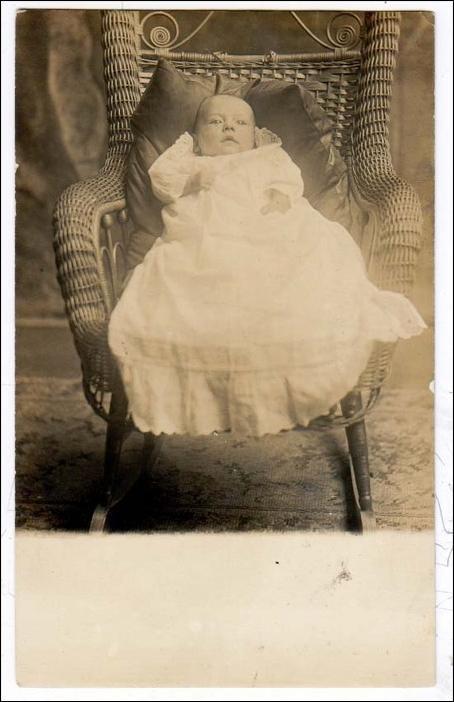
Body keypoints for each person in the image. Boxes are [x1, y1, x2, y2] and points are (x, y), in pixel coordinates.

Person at [108, 95, 426, 436]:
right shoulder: (190, 160)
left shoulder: (267, 156)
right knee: (188, 281)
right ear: (197, 137)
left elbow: (291, 178)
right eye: (215, 122)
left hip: (269, 232)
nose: (228, 127)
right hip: (205, 239)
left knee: (310, 256)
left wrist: (279, 194)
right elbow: (163, 182)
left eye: (240, 123)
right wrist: (190, 179)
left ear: (254, 134)